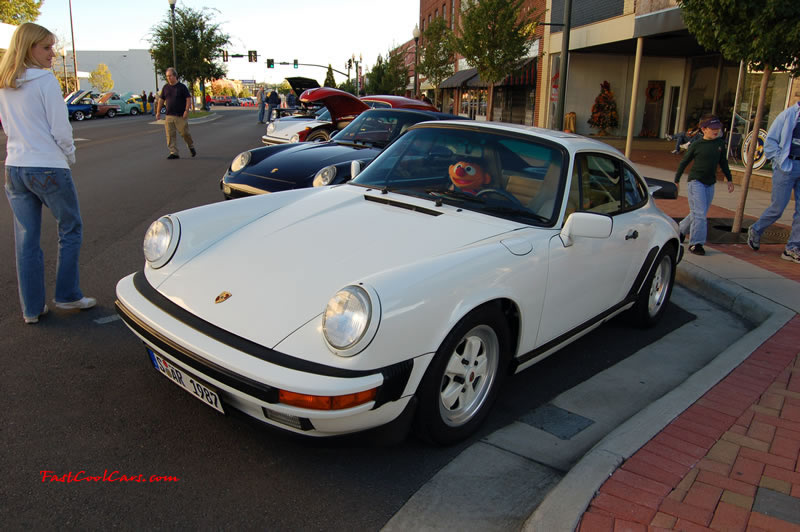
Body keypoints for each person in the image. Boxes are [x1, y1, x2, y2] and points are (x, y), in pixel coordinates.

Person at [0, 22, 96, 324]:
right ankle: (67, 295)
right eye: (46, 47)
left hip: (14, 166)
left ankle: (32, 308)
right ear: (29, 48)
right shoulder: (45, 81)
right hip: (47, 165)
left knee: (26, 239)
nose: (52, 53)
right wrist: (69, 154)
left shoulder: (5, 83)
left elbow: (6, 126)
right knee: (70, 228)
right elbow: (60, 128)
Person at [674, 115, 736, 255]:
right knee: (700, 214)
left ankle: (681, 230)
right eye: (713, 128)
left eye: (718, 128)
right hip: (696, 182)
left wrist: (730, 179)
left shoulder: (719, 144)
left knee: (698, 213)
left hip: (710, 183)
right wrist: (676, 180)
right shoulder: (696, 145)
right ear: (703, 129)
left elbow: (723, 163)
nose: (716, 130)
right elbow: (684, 162)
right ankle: (696, 244)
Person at [747, 100, 800, 263]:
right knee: (778, 207)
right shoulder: (788, 115)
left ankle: (792, 247)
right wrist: (780, 161)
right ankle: (756, 230)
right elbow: (770, 142)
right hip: (787, 165)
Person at [155, 67, 195, 159]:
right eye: (167, 76)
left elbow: (188, 99)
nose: (168, 78)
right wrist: (158, 112)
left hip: (180, 115)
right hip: (169, 115)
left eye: (170, 76)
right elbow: (161, 100)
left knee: (185, 133)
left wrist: (186, 110)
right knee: (170, 135)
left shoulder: (182, 87)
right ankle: (174, 152)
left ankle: (191, 146)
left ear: (175, 76)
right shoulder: (165, 87)